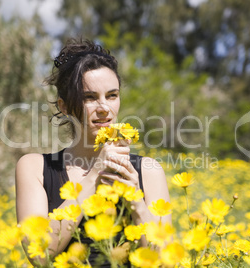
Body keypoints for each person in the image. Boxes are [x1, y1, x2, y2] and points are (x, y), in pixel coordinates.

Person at [15, 38, 171, 267]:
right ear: (64, 106)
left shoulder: (148, 171)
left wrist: (136, 201)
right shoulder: (34, 168)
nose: (104, 109)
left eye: (112, 95)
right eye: (89, 97)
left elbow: (167, 262)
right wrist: (95, 173)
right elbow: (40, 255)